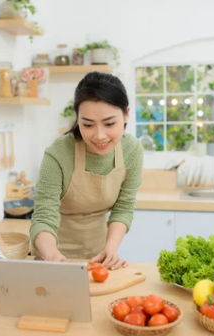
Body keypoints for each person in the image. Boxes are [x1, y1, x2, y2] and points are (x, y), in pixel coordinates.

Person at [29, 72, 143, 270]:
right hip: (51, 256)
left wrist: (110, 249)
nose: (99, 135)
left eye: (109, 124)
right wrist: (51, 255)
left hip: (97, 256)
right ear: (78, 119)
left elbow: (123, 208)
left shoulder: (131, 150)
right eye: (88, 124)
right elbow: (43, 216)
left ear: (126, 114)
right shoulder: (59, 153)